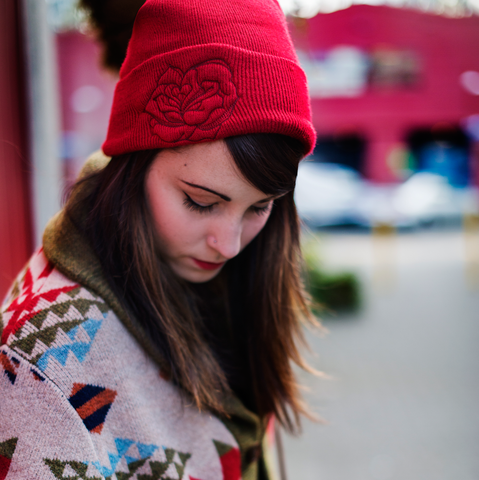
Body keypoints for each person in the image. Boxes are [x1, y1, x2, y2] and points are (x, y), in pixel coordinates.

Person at [0, 0, 317, 478]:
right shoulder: (42, 366)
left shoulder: (233, 277)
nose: (228, 244)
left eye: (259, 206)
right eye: (199, 201)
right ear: (132, 164)